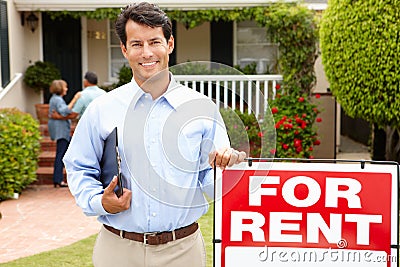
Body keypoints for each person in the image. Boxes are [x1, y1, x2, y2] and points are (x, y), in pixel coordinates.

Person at [63, 2, 246, 267]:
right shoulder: (101, 109)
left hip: (182, 251)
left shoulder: (202, 109)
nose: (147, 52)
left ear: (169, 44)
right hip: (117, 249)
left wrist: (227, 167)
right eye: (136, 44)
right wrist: (98, 202)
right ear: (124, 50)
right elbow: (79, 167)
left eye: (155, 42)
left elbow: (211, 182)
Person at [47, 80, 80, 187]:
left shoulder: (55, 99)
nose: (67, 89)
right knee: (61, 154)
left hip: (61, 130)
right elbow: (65, 111)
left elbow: (60, 114)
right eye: (65, 87)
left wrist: (59, 116)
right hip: (61, 131)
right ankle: (58, 180)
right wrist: (75, 99)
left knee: (63, 152)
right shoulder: (58, 99)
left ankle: (58, 179)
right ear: (60, 88)